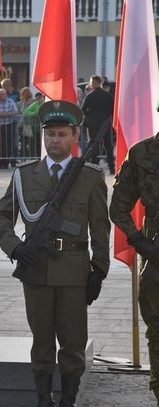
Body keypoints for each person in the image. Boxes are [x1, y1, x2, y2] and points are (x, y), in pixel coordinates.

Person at [0, 100, 110, 407]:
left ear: (75, 137)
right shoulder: (24, 175)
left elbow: (100, 226)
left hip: (74, 271)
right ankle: (44, 398)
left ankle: (68, 399)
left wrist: (99, 268)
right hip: (37, 270)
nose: (54, 140)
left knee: (73, 343)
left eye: (61, 134)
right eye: (49, 135)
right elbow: (1, 218)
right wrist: (15, 247)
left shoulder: (90, 177)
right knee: (42, 340)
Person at [110, 104, 159, 405]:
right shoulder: (142, 154)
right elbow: (118, 207)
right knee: (157, 327)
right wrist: (143, 244)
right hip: (156, 253)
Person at [81, 75, 115, 174]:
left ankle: (94, 167)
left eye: (91, 82)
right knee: (108, 147)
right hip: (106, 125)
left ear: (96, 83)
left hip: (93, 125)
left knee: (93, 145)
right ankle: (111, 168)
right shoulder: (108, 96)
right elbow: (113, 110)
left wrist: (90, 116)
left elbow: (83, 110)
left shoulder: (90, 96)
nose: (90, 84)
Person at [0, 88, 19, 169]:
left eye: (4, 94)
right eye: (2, 94)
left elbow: (15, 112)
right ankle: (0, 163)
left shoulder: (10, 102)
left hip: (9, 125)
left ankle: (5, 163)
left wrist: (5, 114)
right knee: (0, 144)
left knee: (8, 144)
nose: (4, 95)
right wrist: (0, 114)